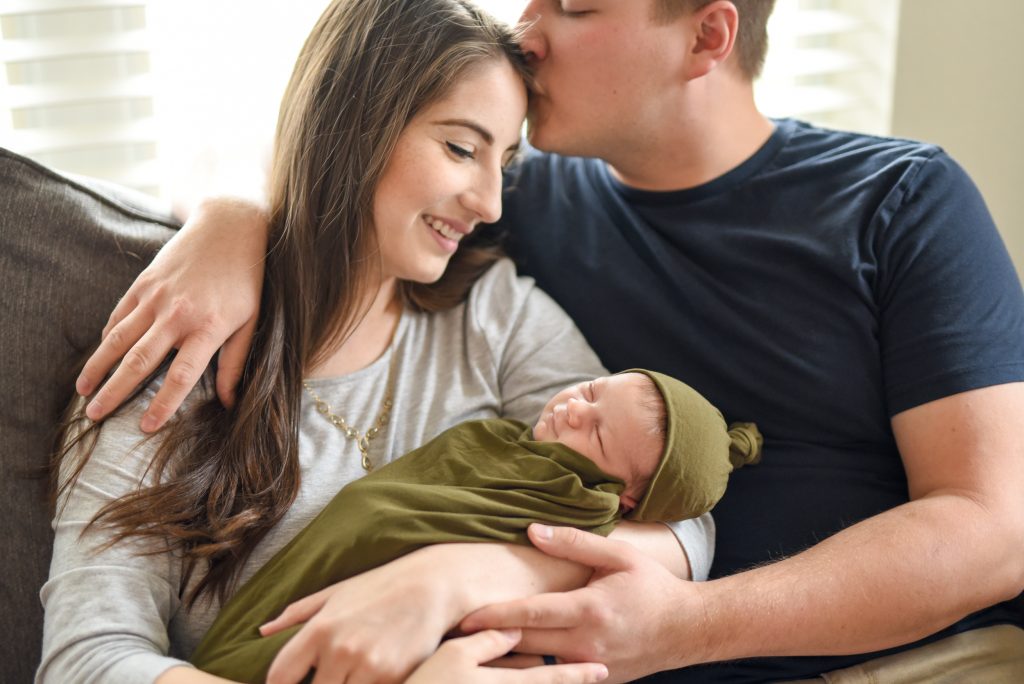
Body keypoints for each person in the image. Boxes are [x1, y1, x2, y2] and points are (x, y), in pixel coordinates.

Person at [73, 0, 1024, 682]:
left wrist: (678, 623)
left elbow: (994, 532)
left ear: (706, 36)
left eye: (573, 5)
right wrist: (229, 223)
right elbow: (348, 175)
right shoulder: (528, 203)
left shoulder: (899, 202)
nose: (528, 28)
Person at [38, 2, 716, 683]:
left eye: (504, 162)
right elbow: (86, 660)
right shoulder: (182, 352)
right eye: (461, 149)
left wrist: (455, 577)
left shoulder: (495, 317)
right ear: (355, 126)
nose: (490, 204)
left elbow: (678, 513)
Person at [190, 370, 762, 682]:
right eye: (592, 390)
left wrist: (454, 575)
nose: (574, 409)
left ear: (628, 499)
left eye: (597, 434)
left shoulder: (581, 505)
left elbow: (689, 530)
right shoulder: (498, 439)